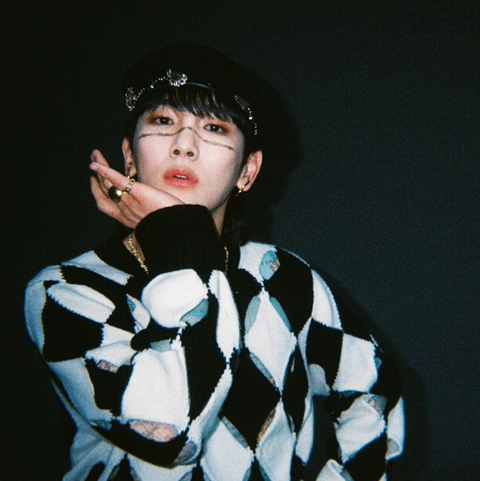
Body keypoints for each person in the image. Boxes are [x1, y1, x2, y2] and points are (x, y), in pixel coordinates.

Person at [25, 44, 404, 480]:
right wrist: (178, 238)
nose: (184, 145)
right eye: (163, 121)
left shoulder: (282, 277)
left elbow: (373, 396)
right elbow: (172, 433)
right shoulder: (66, 289)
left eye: (214, 127)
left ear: (248, 171)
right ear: (129, 155)